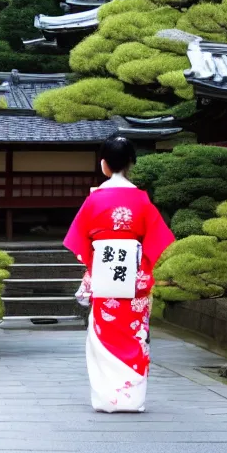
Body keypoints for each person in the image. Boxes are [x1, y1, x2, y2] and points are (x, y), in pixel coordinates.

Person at [64, 135, 175, 413]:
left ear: (103, 165)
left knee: (102, 336)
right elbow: (157, 239)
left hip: (104, 278)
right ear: (131, 164)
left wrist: (92, 270)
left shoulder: (94, 200)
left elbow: (79, 241)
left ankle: (107, 399)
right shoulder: (142, 199)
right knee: (135, 335)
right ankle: (132, 399)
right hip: (133, 281)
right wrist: (143, 267)